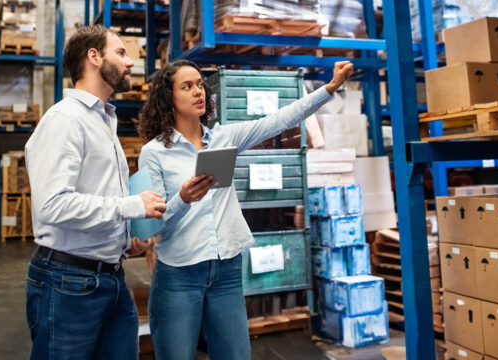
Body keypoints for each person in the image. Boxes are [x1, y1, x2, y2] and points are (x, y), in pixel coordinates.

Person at [136, 59, 354, 359]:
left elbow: (279, 120)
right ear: (167, 97)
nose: (199, 91)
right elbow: (153, 225)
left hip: (226, 268)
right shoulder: (154, 153)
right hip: (179, 274)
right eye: (187, 86)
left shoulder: (224, 137)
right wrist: (183, 199)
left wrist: (329, 88)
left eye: (200, 84)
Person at [24, 25, 168, 360]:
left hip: (110, 278)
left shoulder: (103, 120)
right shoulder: (65, 120)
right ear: (94, 57)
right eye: (120, 53)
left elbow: (95, 194)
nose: (130, 63)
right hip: (69, 282)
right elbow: (52, 205)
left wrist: (123, 238)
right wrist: (132, 206)